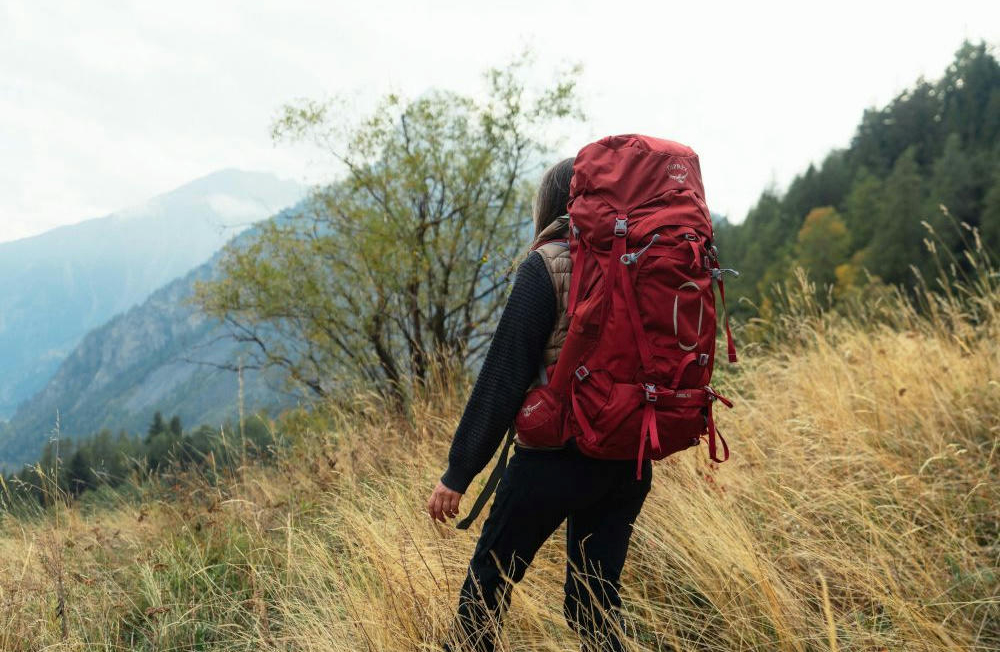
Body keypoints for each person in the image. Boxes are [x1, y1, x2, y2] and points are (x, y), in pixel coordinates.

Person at [426, 157, 652, 652]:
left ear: (550, 203)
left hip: (555, 460)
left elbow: (503, 377)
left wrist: (458, 472)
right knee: (592, 604)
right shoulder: (642, 260)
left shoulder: (545, 263)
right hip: (626, 462)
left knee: (486, 590)